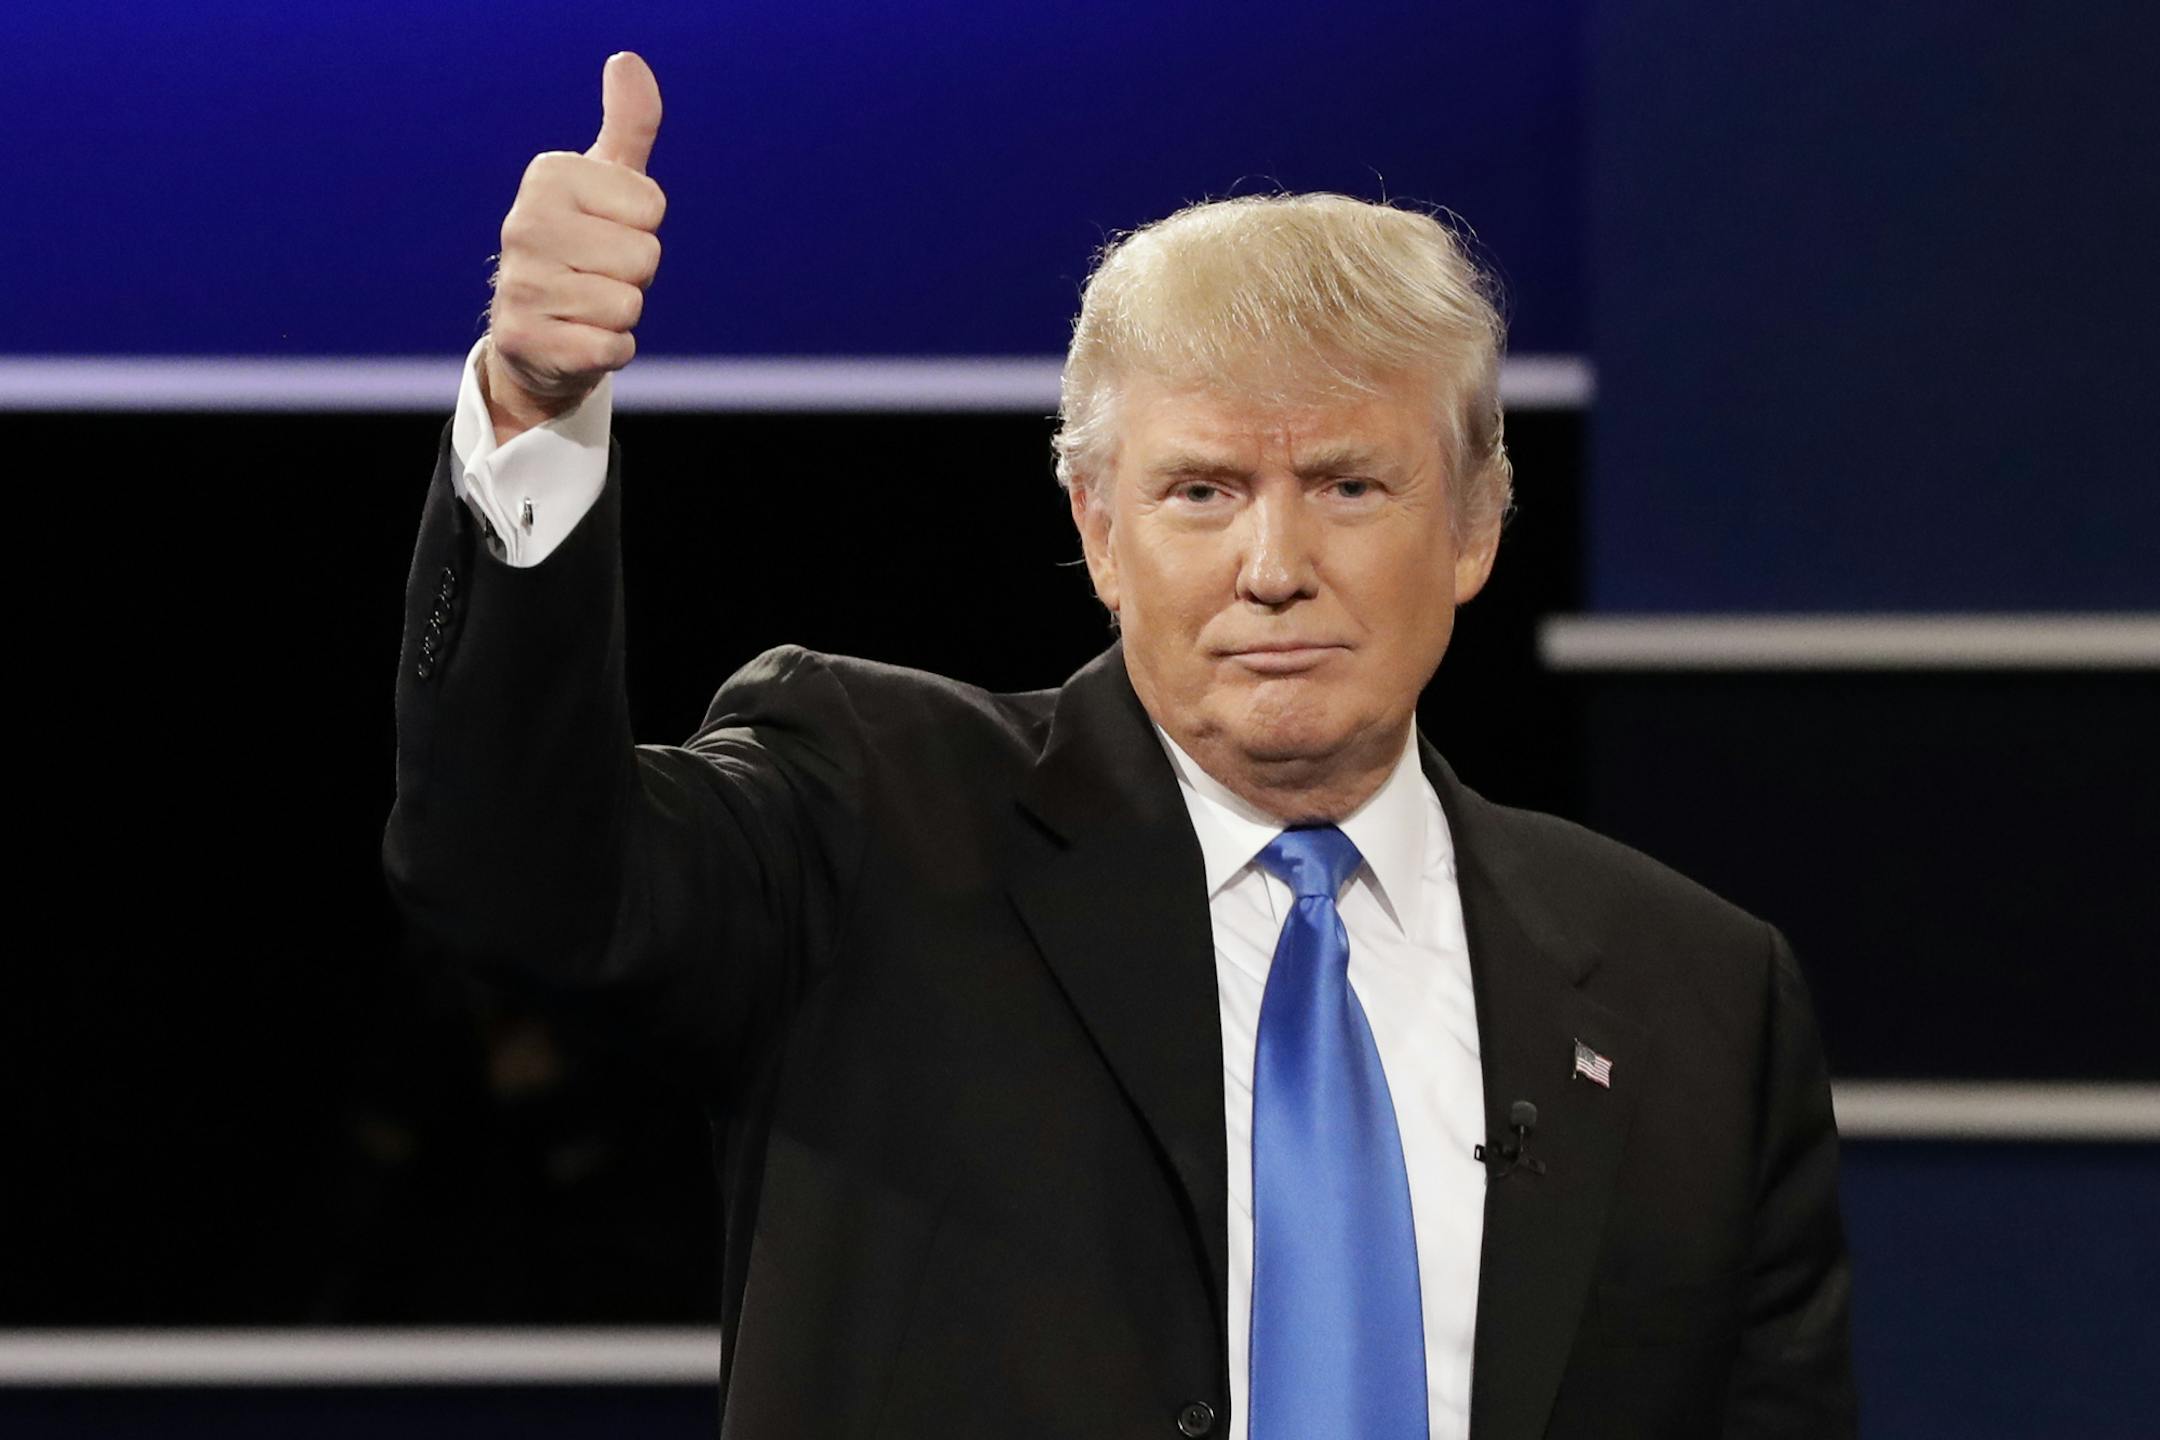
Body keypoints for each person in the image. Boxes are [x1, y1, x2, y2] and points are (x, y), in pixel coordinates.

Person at [384, 51, 1856, 1440]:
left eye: (1348, 485)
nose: (1273, 563)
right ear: (1096, 527)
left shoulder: (1699, 1001)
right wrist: (537, 411)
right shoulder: (870, 821)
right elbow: (518, 877)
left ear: (1475, 522)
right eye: (1203, 492)